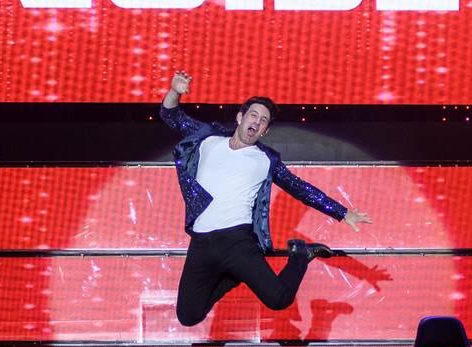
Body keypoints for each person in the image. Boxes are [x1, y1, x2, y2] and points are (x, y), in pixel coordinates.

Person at [159, 71, 371, 327]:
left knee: (279, 299)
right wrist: (175, 91)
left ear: (265, 131)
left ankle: (301, 254)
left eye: (263, 121)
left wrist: (342, 212)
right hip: (201, 242)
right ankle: (232, 275)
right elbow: (170, 115)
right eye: (253, 116)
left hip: (237, 240)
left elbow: (300, 188)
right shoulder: (208, 138)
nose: (257, 122)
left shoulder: (265, 160)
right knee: (188, 316)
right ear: (240, 117)